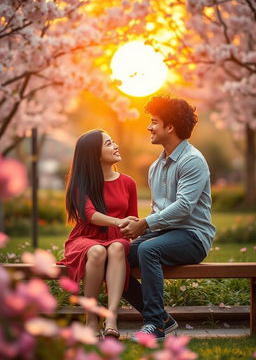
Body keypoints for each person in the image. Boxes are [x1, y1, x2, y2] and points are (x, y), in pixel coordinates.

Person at [121, 95, 216, 340]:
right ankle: (161, 316)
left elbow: (184, 207)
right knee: (117, 256)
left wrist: (146, 225)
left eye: (154, 121)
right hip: (164, 234)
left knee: (148, 250)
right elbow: (159, 212)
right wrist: (140, 224)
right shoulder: (157, 166)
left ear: (170, 127)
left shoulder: (192, 161)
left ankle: (154, 325)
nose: (149, 127)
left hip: (193, 237)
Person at [58, 130, 138, 339]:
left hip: (116, 237)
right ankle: (91, 317)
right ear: (95, 154)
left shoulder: (128, 182)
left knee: (117, 247)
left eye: (113, 141)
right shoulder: (81, 182)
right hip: (85, 237)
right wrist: (118, 221)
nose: (115, 146)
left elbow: (132, 218)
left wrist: (132, 225)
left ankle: (111, 317)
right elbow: (89, 215)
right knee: (96, 251)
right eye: (109, 144)